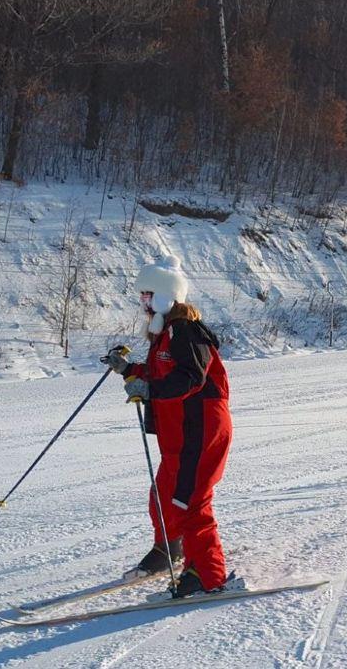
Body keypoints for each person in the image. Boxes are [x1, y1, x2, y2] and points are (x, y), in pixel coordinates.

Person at [103, 255, 237, 598]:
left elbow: (191, 377)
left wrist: (150, 389)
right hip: (179, 431)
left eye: (147, 296)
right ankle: (170, 551)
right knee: (163, 495)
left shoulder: (186, 331)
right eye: (142, 297)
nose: (143, 304)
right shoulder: (165, 335)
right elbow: (162, 374)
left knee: (189, 501)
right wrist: (129, 370)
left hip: (201, 428)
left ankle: (208, 575)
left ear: (165, 295)